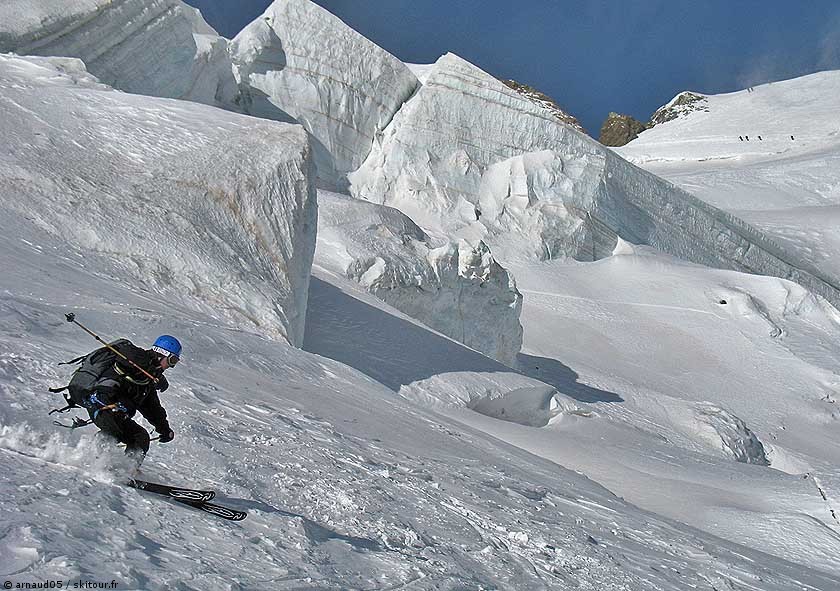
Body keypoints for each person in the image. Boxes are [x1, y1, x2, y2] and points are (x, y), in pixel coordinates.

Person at [83, 335, 181, 467]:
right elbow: (127, 353)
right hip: (101, 403)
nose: (171, 366)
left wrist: (164, 429)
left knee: (141, 437)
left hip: (117, 411)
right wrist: (150, 369)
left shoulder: (147, 381)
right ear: (162, 354)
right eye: (172, 360)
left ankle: (127, 470)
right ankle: (90, 459)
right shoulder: (136, 357)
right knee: (114, 431)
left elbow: (153, 409)